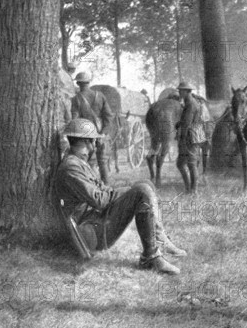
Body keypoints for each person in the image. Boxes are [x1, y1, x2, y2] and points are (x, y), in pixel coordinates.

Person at [55, 118, 186, 275]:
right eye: (93, 141)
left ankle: (160, 238)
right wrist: (126, 191)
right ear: (87, 142)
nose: (95, 145)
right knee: (142, 191)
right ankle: (150, 257)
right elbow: (100, 201)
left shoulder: (78, 162)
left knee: (145, 184)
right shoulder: (71, 167)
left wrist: (124, 189)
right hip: (91, 232)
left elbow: (102, 189)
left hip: (96, 220)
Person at [70, 71, 114, 184]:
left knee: (86, 164)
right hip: (100, 135)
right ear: (89, 82)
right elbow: (109, 117)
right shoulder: (100, 96)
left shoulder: (76, 99)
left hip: (85, 137)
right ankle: (108, 189)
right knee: (103, 163)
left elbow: (75, 121)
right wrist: (103, 133)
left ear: (78, 83)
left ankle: (91, 189)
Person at [175, 82, 205, 194]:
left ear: (188, 91)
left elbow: (187, 123)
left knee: (191, 164)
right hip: (191, 136)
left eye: (181, 90)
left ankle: (194, 191)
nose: (179, 92)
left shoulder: (191, 104)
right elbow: (186, 120)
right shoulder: (188, 103)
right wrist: (179, 123)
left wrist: (181, 139)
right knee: (181, 164)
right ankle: (189, 189)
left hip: (190, 137)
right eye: (179, 90)